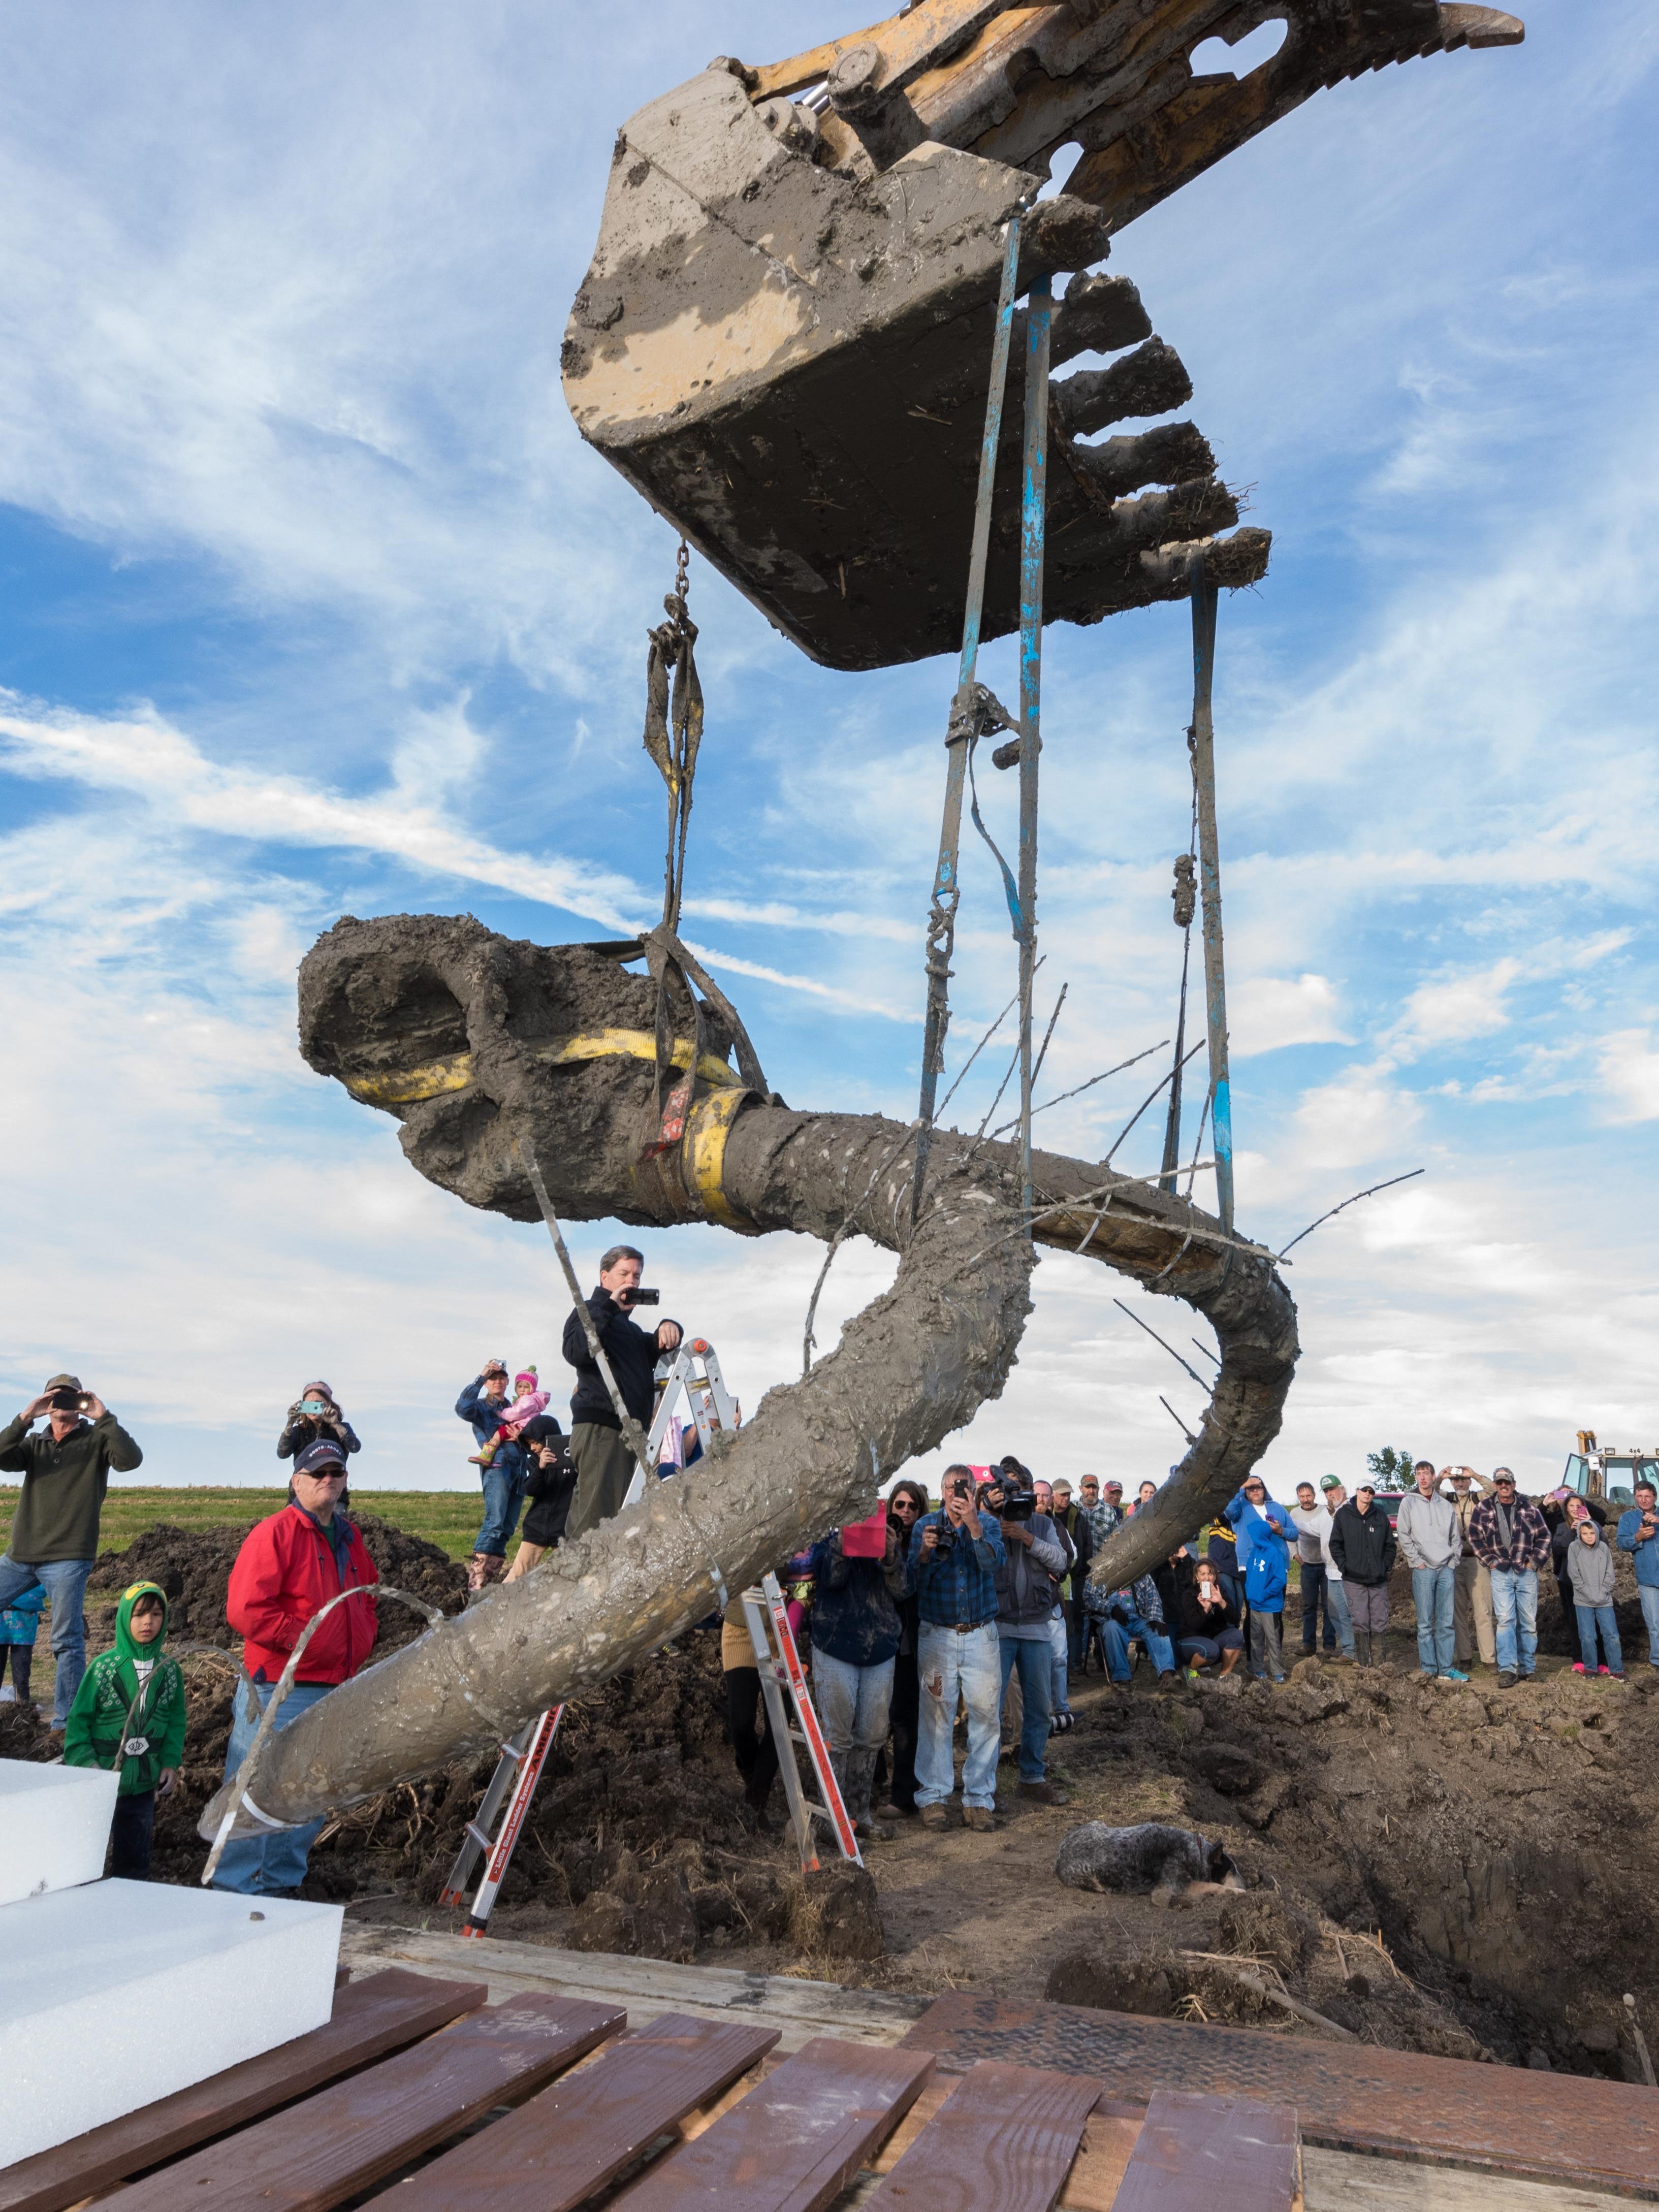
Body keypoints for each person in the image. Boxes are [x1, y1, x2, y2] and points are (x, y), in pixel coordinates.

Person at [214, 1438, 379, 1896]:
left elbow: (368, 1593)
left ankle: (283, 1884)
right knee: (254, 1785)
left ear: (346, 1480)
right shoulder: (275, 1533)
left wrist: (360, 1634)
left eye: (336, 1472)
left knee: (310, 1791)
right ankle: (236, 1887)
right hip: (279, 1688)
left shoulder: (350, 1536)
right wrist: (306, 1639)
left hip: (335, 1687)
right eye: (318, 1473)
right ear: (297, 1481)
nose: (329, 1479)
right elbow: (246, 1609)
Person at [0, 1374, 143, 1727]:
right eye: (55, 1398)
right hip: (21, 1554)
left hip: (68, 1556)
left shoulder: (97, 1440)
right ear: (46, 1403)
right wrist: (25, 1415)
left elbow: (130, 1460)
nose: (61, 1404)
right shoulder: (33, 1444)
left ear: (81, 1403)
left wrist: (104, 1416)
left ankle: (67, 1722)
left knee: (66, 1638)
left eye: (69, 1398)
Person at [61, 1581, 185, 1879]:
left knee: (134, 1859)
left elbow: (175, 1721)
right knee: (88, 1855)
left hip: (143, 1784)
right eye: (139, 1614)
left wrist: (170, 1762)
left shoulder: (169, 1671)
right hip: (101, 1779)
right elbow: (79, 1722)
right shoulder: (103, 1669)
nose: (148, 1622)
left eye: (156, 1614)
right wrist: (85, 1763)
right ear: (125, 1617)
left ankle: (130, 1897)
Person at [907, 1465, 1007, 1832]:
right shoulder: (926, 1526)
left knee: (985, 1715)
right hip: (938, 1634)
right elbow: (912, 1582)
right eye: (951, 1487)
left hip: (981, 1633)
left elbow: (994, 1564)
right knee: (936, 1716)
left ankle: (979, 1798)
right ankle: (934, 1796)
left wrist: (975, 1526)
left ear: (974, 1489)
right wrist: (925, 1553)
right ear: (942, 1489)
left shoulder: (988, 1523)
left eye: (963, 1487)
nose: (956, 1493)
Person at [562, 1245, 682, 1540]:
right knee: (596, 1522)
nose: (632, 1282)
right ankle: (577, 1581)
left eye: (637, 1276)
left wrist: (670, 1329)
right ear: (605, 1277)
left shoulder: (629, 1331)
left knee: (618, 1518)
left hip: (630, 1434)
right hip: (604, 1429)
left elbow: (649, 1348)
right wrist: (611, 1307)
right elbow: (577, 1349)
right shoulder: (588, 1310)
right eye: (624, 1274)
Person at [808, 1519, 909, 1842]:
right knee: (837, 1736)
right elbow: (831, 1580)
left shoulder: (886, 1540)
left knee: (873, 1734)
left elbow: (901, 1591)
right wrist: (842, 1545)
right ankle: (833, 1819)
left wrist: (891, 1556)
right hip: (836, 1643)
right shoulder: (826, 1535)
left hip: (879, 1645)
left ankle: (859, 1814)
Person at [993, 1478, 1070, 1802]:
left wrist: (1026, 1537)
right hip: (998, 1626)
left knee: (1039, 1707)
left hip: (1037, 1626)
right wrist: (993, 1517)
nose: (1017, 1497)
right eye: (1009, 1491)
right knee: (990, 1709)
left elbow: (1061, 1561)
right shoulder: (990, 1518)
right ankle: (985, 1783)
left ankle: (1032, 1776)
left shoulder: (1042, 1522)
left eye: (1021, 1489)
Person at [1468, 1468, 1551, 1686]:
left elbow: (1544, 1536)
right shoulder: (1483, 1508)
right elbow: (1474, 1537)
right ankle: (1507, 1669)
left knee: (1529, 1622)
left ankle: (1527, 1668)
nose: (1504, 1486)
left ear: (1514, 1484)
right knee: (1505, 1621)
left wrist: (1533, 1563)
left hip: (1526, 1573)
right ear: (1495, 1485)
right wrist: (1491, 1561)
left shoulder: (1529, 1508)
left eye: (1507, 1482)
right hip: (1501, 1573)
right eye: (1500, 1483)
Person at [874, 1479, 928, 1818]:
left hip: (908, 1643)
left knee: (905, 1720)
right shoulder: (874, 1538)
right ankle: (874, 1783)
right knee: (874, 1719)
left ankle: (903, 1794)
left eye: (912, 1506)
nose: (905, 1512)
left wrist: (903, 1554)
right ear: (890, 1507)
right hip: (876, 1640)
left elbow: (906, 1590)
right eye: (899, 1505)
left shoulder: (924, 1542)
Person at [455, 1359, 526, 1588]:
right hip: (497, 1467)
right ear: (487, 1383)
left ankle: (490, 1581)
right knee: (494, 1523)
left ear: (507, 1382)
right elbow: (462, 1408)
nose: (497, 1382)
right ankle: (475, 1583)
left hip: (520, 1470)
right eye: (493, 1378)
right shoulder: (482, 1407)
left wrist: (521, 1437)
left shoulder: (516, 1408)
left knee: (506, 1528)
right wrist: (481, 1375)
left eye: (501, 1378)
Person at [1395, 1458, 1465, 1682]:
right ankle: (1428, 1668)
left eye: (1426, 1473)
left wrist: (1452, 1561)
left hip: (1445, 1569)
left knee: (1446, 1622)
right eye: (1419, 1473)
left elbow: (1456, 1537)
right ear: (1416, 1477)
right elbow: (1404, 1536)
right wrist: (1417, 1562)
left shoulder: (1445, 1506)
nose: (1423, 1477)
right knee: (1425, 1623)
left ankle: (1446, 1669)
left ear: (1434, 1477)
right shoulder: (1408, 1503)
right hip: (1423, 1569)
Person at [1225, 1476, 1294, 1683]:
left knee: (1274, 1616)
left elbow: (1294, 1533)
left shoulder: (1278, 1508)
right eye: (1251, 1488)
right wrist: (1241, 1487)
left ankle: (1276, 1661)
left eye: (1258, 1487)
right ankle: (1254, 1662)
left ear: (1265, 1489)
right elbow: (1229, 1510)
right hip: (1250, 1566)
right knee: (1253, 1614)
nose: (1255, 1490)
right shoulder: (1241, 1508)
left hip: (1276, 1564)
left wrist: (1280, 1530)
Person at [719, 1593, 780, 1823]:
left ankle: (757, 1799)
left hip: (779, 1629)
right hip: (739, 1628)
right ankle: (754, 1777)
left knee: (779, 1725)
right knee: (741, 1723)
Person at [501, 1417, 577, 1581]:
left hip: (564, 1531)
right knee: (516, 1575)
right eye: (529, 1444)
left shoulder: (573, 1459)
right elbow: (530, 1490)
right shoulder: (534, 1462)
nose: (532, 1447)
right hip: (536, 1529)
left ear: (547, 1437)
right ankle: (492, 1606)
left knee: (569, 1577)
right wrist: (541, 1468)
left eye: (535, 1442)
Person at [1329, 1481, 1396, 1665]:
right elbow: (1335, 1544)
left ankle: (1379, 1665)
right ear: (1357, 1491)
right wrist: (1345, 1566)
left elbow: (1390, 1546)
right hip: (1354, 1579)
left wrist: (1385, 1566)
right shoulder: (1344, 1515)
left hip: (1378, 1579)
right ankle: (1364, 1664)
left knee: (1379, 1620)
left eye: (1371, 1491)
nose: (1368, 1493)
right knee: (1361, 1620)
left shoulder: (1380, 1517)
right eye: (1364, 1490)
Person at [1031, 1478, 1077, 1734]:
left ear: (1051, 1499)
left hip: (1051, 1602)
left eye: (1045, 1496)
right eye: (1036, 1495)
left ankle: (1061, 1707)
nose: (1041, 1499)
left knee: (1059, 1657)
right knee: (1036, 1661)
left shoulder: (1057, 1525)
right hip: (1027, 1606)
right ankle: (1039, 1710)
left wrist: (1057, 1574)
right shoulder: (1021, 1522)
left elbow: (1069, 1557)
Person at [1441, 1465, 1496, 1671]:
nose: (1460, 1483)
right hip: (1454, 1561)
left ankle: (1489, 1659)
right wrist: (1440, 1477)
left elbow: (1494, 1490)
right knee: (1458, 1612)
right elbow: (1428, 1492)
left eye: (1463, 1480)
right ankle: (1465, 1657)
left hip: (1477, 1561)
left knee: (1483, 1611)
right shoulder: (1446, 1499)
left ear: (1469, 1482)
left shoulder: (1478, 1498)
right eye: (1456, 1481)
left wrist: (1474, 1474)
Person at [1096, 1571, 1177, 1686]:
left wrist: (1155, 1617)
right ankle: (1122, 1678)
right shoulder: (1100, 1571)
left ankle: (1167, 1675)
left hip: (1140, 1617)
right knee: (1111, 1630)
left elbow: (1153, 1597)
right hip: (1114, 1620)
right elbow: (1090, 1598)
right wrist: (1111, 1608)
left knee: (1158, 1630)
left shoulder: (1140, 1571)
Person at [1567, 1517, 1623, 1678]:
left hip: (1604, 1600)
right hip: (1583, 1601)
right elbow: (1574, 1575)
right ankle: (1591, 1668)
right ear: (1580, 1534)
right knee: (1588, 1636)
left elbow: (1610, 1574)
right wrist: (1589, 1593)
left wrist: (1602, 1592)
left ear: (1597, 1533)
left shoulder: (1604, 1548)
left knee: (1612, 1635)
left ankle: (1617, 1669)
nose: (1589, 1536)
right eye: (1585, 1533)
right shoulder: (1574, 1548)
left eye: (1592, 1533)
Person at [1049, 1479, 1094, 1679]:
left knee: (1075, 1620)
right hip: (1053, 1579)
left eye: (1068, 1495)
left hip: (1076, 1577)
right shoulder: (1045, 1517)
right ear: (1053, 1495)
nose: (1066, 1498)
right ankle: (1061, 1669)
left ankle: (1075, 1663)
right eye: (1062, 1495)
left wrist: (1082, 1570)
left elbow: (1086, 1545)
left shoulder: (1077, 1516)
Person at [1289, 1481, 1337, 1657]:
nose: (1306, 1499)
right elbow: (1291, 1536)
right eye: (1302, 1496)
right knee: (1308, 1606)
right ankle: (1308, 1645)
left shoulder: (1324, 1511)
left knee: (1328, 1606)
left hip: (1326, 1565)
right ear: (1298, 1498)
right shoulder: (1294, 1513)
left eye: (1308, 1495)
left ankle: (1329, 1646)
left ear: (1314, 1496)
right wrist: (1295, 1555)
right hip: (1307, 1565)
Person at [1174, 1556, 1243, 1678]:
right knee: (1211, 1649)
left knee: (1237, 1636)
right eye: (1203, 1574)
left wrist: (1222, 1602)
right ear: (1197, 1577)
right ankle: (1190, 1670)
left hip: (1213, 1639)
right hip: (1189, 1640)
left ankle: (1224, 1677)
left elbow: (1235, 1620)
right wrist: (1206, 1610)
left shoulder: (1220, 1592)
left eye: (1210, 1574)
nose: (1207, 1578)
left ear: (1215, 1576)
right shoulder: (1189, 1594)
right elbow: (1195, 1625)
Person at [1615, 1480, 1659, 1673]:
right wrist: (1638, 1538)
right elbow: (1621, 1543)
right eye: (1639, 1496)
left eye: (1647, 1496)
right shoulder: (1628, 1518)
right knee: (1655, 1623)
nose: (1643, 1500)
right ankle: (1657, 1660)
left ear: (1655, 1497)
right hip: (1648, 1578)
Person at [1313, 1477, 1357, 1662]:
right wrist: (1285, 1527)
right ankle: (1350, 1650)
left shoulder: (1351, 1509)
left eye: (1332, 1490)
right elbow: (1310, 1528)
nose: (1330, 1495)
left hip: (1349, 1572)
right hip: (1331, 1571)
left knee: (1354, 1612)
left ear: (1343, 1490)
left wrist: (1333, 1514)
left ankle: (1363, 1651)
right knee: (1336, 1612)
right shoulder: (1325, 1513)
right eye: (1326, 1491)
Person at [468, 1371, 549, 1468]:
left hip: (521, 1425)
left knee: (500, 1433)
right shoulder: (481, 1405)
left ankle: (487, 1454)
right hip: (521, 1431)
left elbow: (518, 1412)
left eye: (526, 1387)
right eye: (520, 1387)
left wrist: (503, 1414)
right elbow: (464, 1408)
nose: (522, 1390)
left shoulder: (529, 1400)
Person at [276, 1382, 361, 1462]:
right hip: (305, 1476)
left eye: (318, 1405)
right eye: (309, 1405)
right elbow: (282, 1453)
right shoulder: (298, 1431)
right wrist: (290, 1424)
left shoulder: (342, 1428)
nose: (313, 1410)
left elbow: (354, 1448)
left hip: (333, 1475)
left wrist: (336, 1425)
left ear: (329, 1404)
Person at [1550, 1495, 1594, 1628]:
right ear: (1566, 1509)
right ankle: (1578, 1649)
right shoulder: (1562, 1527)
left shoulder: (1593, 1525)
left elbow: (1603, 1545)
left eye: (1579, 1506)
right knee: (1574, 1620)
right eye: (1572, 1506)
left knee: (1593, 1620)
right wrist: (1572, 1531)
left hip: (1592, 1579)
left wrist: (1591, 1523)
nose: (1576, 1510)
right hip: (1569, 1580)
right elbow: (1558, 1548)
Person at [0, 1576, 44, 1706]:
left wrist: (9, 1597)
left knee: (22, 1671)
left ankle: (23, 1708)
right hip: (15, 1623)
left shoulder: (36, 1572)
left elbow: (43, 1589)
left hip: (25, 1627)